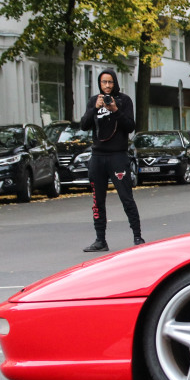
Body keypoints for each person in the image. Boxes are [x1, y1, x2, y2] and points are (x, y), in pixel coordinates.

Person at [79, 70, 143, 252]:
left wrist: (115, 110)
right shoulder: (94, 101)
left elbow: (130, 126)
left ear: (115, 83)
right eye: (104, 82)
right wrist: (94, 108)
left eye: (110, 82)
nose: (107, 86)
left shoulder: (124, 101)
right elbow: (83, 125)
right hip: (98, 157)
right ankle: (100, 240)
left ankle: (137, 236)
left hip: (118, 156)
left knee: (126, 198)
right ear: (99, 84)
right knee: (97, 200)